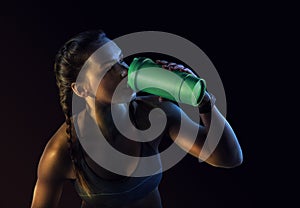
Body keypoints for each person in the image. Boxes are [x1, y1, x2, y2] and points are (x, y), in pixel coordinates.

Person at [30, 29, 243, 208]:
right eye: (108, 68)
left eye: (121, 60)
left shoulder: (154, 112)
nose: (124, 71)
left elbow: (229, 158)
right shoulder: (61, 152)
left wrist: (204, 102)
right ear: (81, 89)